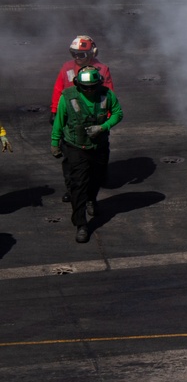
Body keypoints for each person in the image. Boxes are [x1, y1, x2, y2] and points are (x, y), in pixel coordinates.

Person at [50, 66, 123, 243]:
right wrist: (54, 142)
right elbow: (59, 120)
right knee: (78, 184)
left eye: (92, 87)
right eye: (85, 87)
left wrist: (103, 127)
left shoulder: (107, 95)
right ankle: (81, 224)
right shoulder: (68, 98)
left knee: (98, 178)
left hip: (99, 146)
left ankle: (91, 199)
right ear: (78, 85)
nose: (89, 90)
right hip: (76, 147)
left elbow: (118, 113)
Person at [50, 35, 115, 202]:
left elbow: (108, 95)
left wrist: (105, 121)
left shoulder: (102, 70)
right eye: (74, 54)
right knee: (70, 159)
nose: (77, 58)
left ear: (92, 53)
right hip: (71, 122)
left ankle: (93, 188)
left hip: (95, 121)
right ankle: (72, 189)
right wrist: (54, 111)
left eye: (81, 54)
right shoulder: (67, 68)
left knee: (97, 159)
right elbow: (58, 89)